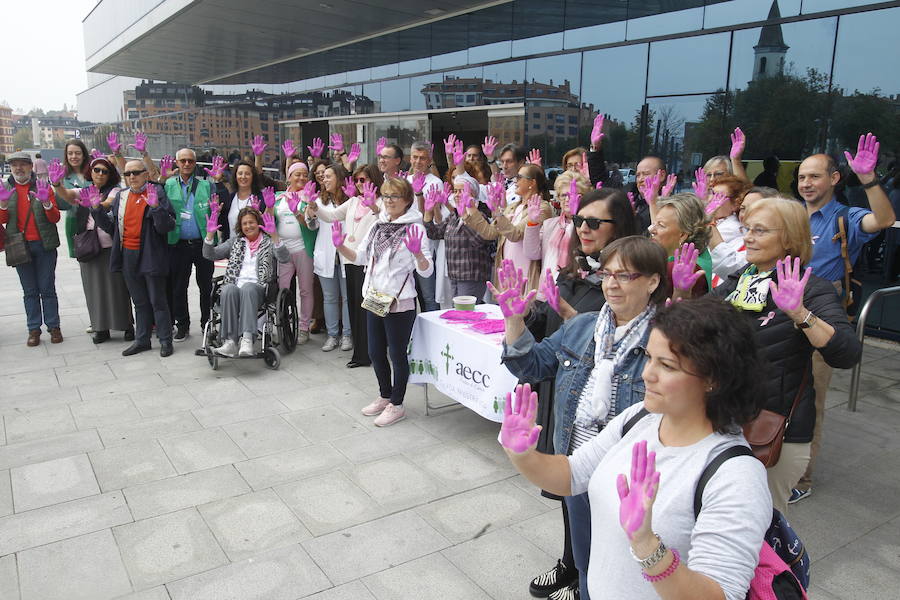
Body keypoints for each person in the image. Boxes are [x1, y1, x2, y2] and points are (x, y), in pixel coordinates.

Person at [501, 297, 773, 600]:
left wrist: (647, 544)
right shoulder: (640, 417)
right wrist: (523, 454)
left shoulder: (735, 476)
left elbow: (721, 594)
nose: (647, 374)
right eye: (648, 357)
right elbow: (571, 475)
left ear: (714, 379)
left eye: (666, 365)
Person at [497, 235, 669, 599]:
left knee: (628, 570)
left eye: (625, 276)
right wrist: (514, 319)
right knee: (589, 561)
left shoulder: (667, 340)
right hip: (578, 468)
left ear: (653, 281)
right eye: (607, 274)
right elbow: (532, 366)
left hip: (632, 481)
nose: (611, 283)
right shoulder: (584, 326)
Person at [683, 196, 863, 513]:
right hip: (726, 423)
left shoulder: (810, 288)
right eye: (747, 228)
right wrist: (681, 294)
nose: (748, 237)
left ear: (789, 238)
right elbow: (692, 338)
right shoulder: (740, 281)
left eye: (760, 230)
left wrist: (801, 314)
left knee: (762, 534)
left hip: (775, 434)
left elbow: (846, 354)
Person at [790, 134, 895, 504]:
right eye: (802, 177)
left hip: (821, 317)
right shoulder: (790, 215)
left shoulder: (844, 218)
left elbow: (884, 219)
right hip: (780, 315)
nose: (806, 184)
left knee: (812, 398)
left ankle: (802, 477)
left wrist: (867, 178)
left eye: (815, 176)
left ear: (834, 179)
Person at [334, 177, 433, 427]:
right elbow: (359, 257)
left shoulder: (415, 228)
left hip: (400, 302)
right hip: (375, 297)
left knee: (396, 354)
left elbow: (427, 271)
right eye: (386, 196)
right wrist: (340, 247)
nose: (389, 201)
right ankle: (384, 394)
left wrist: (418, 253)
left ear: (407, 201)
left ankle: (397, 404)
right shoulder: (378, 225)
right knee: (374, 351)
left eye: (394, 196)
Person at [94, 160, 176, 357]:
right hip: (127, 254)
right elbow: (112, 228)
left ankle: (165, 340)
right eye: (128, 174)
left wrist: (156, 207)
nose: (132, 177)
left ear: (146, 175)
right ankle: (142, 340)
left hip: (151, 254)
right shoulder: (121, 196)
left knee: (158, 300)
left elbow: (167, 227)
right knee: (139, 302)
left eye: (136, 173)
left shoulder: (157, 192)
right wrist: (96, 209)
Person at [307, 163, 382, 366]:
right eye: (356, 180)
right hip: (350, 260)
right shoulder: (353, 202)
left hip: (370, 263)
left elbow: (384, 222)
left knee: (370, 309)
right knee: (355, 308)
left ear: (373, 180)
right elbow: (330, 216)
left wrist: (374, 206)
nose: (359, 184)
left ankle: (374, 352)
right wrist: (313, 206)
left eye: (363, 180)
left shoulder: (382, 202)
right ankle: (360, 354)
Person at [203, 207, 289, 357]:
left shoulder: (269, 242)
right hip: (236, 287)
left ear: (258, 223)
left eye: (251, 222)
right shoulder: (234, 242)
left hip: (260, 289)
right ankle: (230, 342)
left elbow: (284, 258)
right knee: (228, 289)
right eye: (244, 224)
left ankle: (247, 339)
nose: (248, 226)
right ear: (240, 227)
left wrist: (275, 235)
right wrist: (210, 235)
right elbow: (209, 254)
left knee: (248, 288)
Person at [0, 152, 63, 346]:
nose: (19, 169)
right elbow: (2, 221)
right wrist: (2, 204)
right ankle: (33, 329)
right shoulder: (6, 188)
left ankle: (54, 327)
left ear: (31, 167)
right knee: (29, 290)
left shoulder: (42, 186)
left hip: (44, 245)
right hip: (19, 245)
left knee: (47, 288)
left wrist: (46, 202)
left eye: (23, 165)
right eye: (14, 165)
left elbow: (55, 218)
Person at [165, 148, 228, 342]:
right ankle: (182, 324)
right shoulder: (168, 184)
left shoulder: (205, 185)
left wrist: (219, 181)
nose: (186, 164)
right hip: (178, 244)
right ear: (177, 162)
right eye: (182, 160)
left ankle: (206, 324)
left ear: (195, 164)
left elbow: (222, 203)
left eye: (190, 161)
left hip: (203, 244)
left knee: (205, 286)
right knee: (178, 287)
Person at [462, 162, 553, 294]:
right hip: (508, 272)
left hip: (526, 273)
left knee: (524, 312)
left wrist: (498, 213)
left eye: (520, 177)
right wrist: (471, 211)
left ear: (532, 183)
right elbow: (490, 233)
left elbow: (516, 235)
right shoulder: (512, 207)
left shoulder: (542, 207)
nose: (515, 180)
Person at [71, 158, 134, 343]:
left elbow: (110, 202)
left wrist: (98, 204)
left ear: (110, 174)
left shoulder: (116, 191)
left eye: (104, 171)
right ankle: (100, 328)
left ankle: (126, 325)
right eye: (96, 170)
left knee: (119, 289)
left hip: (111, 247)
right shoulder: (83, 191)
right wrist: (56, 184)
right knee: (93, 290)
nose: (100, 174)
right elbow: (67, 196)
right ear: (90, 172)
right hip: (89, 248)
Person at [423, 172, 494, 301]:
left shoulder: (479, 215)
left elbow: (479, 240)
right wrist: (428, 213)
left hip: (471, 276)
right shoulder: (454, 216)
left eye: (462, 191)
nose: (457, 195)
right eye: (455, 191)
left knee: (467, 313)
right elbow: (435, 233)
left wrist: (465, 217)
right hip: (454, 275)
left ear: (473, 194)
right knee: (460, 314)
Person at [269, 161, 318, 346]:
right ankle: (283, 324)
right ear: (288, 177)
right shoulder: (278, 197)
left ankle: (304, 327)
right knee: (283, 290)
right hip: (283, 250)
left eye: (305, 174)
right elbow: (269, 221)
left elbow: (312, 227)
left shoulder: (310, 197)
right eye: (297, 174)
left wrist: (304, 208)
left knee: (306, 290)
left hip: (303, 249)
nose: (301, 178)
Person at [308, 163, 353, 352]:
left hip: (346, 255)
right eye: (323, 176)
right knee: (329, 297)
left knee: (347, 297)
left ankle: (347, 335)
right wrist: (310, 211)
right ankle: (332, 335)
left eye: (328, 176)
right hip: (326, 254)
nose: (324, 180)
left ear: (339, 178)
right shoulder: (318, 200)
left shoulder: (352, 199)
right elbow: (312, 226)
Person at [524, 171, 591, 289]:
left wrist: (577, 218)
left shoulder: (588, 226)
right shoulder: (550, 224)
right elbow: (532, 253)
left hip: (574, 291)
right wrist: (532, 223)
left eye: (573, 194)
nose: (567, 199)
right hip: (546, 291)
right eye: (563, 195)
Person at [648, 193, 711, 297]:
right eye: (654, 223)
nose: (651, 230)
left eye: (661, 225)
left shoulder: (677, 270)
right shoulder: (702, 254)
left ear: (682, 235)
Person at [408, 141, 444, 312]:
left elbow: (427, 217)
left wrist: (419, 194)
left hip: (426, 246)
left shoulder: (435, 182)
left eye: (422, 158)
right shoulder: (404, 181)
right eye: (415, 157)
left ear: (430, 159)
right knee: (410, 297)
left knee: (429, 296)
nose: (418, 161)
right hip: (406, 245)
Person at [224, 160, 263, 237]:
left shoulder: (260, 198)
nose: (243, 177)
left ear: (253, 177)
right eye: (240, 173)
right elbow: (223, 225)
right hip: (232, 246)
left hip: (255, 246)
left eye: (247, 174)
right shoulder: (230, 198)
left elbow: (267, 225)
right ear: (235, 176)